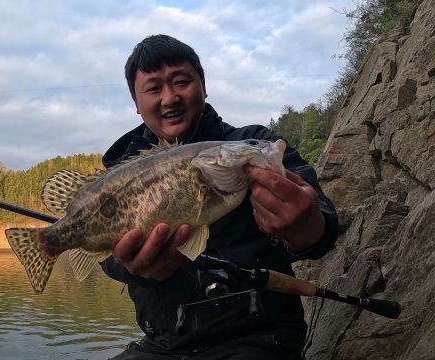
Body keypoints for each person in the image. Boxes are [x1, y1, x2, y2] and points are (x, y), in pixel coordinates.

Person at [100, 34, 339, 360]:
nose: (170, 97)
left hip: (260, 337)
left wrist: (308, 225)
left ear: (204, 86)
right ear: (136, 105)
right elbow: (104, 256)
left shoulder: (252, 144)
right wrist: (130, 266)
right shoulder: (119, 174)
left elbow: (322, 220)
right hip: (163, 346)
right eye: (154, 88)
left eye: (182, 81)